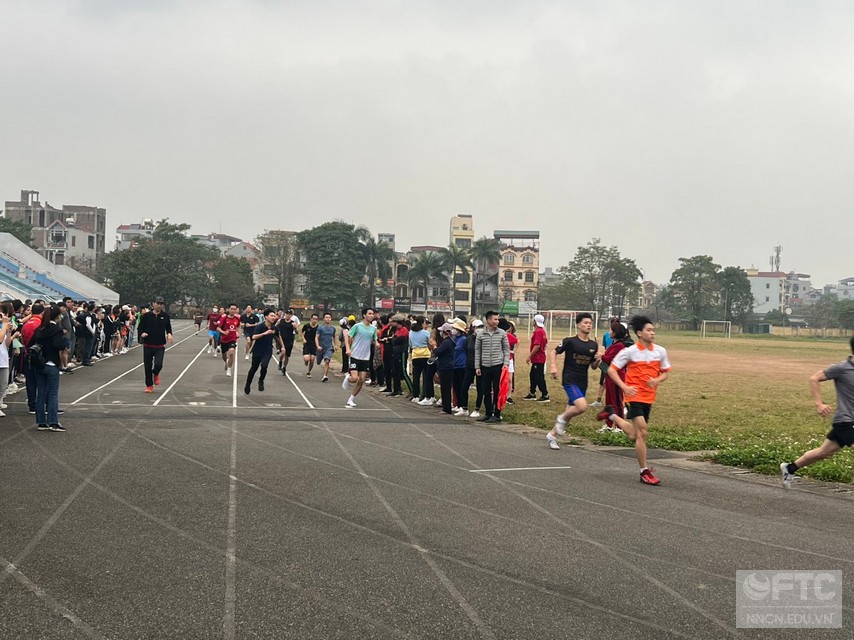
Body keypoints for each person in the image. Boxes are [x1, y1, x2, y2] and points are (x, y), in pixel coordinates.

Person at [600, 315, 671, 486]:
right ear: (639, 333)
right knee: (643, 433)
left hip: (649, 397)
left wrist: (656, 381)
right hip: (633, 396)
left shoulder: (660, 351)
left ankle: (612, 416)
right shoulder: (629, 351)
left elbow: (665, 372)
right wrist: (624, 387)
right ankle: (644, 471)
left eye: (653, 330)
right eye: (649, 330)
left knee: (634, 434)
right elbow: (611, 370)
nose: (652, 333)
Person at [780, 336, 854, 489]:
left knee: (824, 452)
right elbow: (814, 378)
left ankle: (790, 468)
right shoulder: (841, 368)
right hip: (846, 421)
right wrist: (819, 403)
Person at [545, 312, 600, 450]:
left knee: (570, 412)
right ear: (578, 325)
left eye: (590, 323)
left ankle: (552, 435)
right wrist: (553, 366)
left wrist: (598, 360)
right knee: (582, 407)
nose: (588, 325)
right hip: (570, 379)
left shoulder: (594, 344)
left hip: (583, 380)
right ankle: (560, 419)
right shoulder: (570, 341)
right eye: (585, 323)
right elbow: (554, 352)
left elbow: (593, 367)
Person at [31, 306, 66, 431]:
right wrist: (63, 344)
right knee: (52, 394)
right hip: (51, 363)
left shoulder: (39, 329)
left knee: (40, 394)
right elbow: (58, 344)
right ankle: (53, 421)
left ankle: (41, 422)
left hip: (39, 364)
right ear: (57, 317)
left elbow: (30, 343)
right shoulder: (56, 330)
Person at [474, 310, 510, 423]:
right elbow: (477, 351)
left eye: (497, 319)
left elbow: (506, 349)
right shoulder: (480, 334)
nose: (497, 321)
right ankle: (488, 412)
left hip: (498, 365)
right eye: (495, 319)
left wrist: (505, 364)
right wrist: (477, 366)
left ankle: (497, 413)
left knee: (497, 390)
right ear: (488, 320)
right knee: (486, 390)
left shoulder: (502, 333)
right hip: (485, 365)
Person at [598, 321, 633, 432]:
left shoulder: (619, 346)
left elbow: (608, 358)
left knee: (617, 401)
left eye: (611, 330)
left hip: (617, 376)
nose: (609, 332)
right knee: (609, 400)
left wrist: (601, 356)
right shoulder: (614, 344)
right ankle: (609, 424)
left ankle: (619, 426)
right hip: (610, 375)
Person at [342, 308, 378, 407]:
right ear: (364, 315)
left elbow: (374, 339)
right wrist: (348, 349)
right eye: (369, 314)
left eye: (372, 314)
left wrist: (377, 343)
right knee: (354, 378)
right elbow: (348, 337)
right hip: (355, 355)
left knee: (361, 380)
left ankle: (351, 399)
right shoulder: (357, 327)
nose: (371, 315)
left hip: (365, 357)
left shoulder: (373, 329)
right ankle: (347, 378)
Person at [244, 309, 284, 394]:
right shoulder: (260, 326)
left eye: (274, 316)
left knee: (264, 365)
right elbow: (254, 337)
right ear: (266, 317)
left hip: (267, 350)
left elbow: (278, 337)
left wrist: (282, 347)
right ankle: (248, 384)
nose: (273, 317)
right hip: (257, 350)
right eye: (271, 315)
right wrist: (264, 333)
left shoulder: (274, 328)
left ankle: (261, 380)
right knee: (253, 369)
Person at [138, 296, 174, 393]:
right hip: (148, 345)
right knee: (147, 366)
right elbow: (140, 327)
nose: (159, 305)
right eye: (157, 303)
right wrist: (142, 334)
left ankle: (156, 373)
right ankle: (149, 385)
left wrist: (169, 334)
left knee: (158, 364)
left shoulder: (165, 316)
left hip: (159, 345)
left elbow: (168, 328)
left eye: (161, 304)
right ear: (153, 304)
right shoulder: (146, 316)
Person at [524, 313, 550, 402]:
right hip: (538, 358)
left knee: (539, 376)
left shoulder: (538, 331)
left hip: (538, 358)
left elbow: (537, 346)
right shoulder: (542, 331)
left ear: (535, 321)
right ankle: (532, 393)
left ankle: (545, 394)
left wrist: (529, 356)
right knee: (533, 375)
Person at [593, 319, 616, 406]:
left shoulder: (622, 339)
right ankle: (598, 400)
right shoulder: (606, 335)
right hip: (607, 360)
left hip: (615, 363)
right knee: (603, 381)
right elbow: (606, 349)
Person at [434, 323, 456, 414]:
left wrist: (434, 346)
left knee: (445, 388)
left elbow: (438, 352)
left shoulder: (446, 342)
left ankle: (446, 408)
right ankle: (446, 407)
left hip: (446, 366)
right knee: (445, 387)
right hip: (446, 366)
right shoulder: (449, 341)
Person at [409, 316, 431, 403]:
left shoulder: (411, 333)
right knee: (426, 376)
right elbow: (429, 343)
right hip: (425, 354)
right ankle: (425, 394)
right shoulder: (426, 333)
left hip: (415, 355)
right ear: (423, 323)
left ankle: (415, 395)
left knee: (416, 377)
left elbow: (410, 344)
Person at [465, 319, 485, 417]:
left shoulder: (484, 339)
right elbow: (466, 350)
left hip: (481, 366)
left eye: (481, 327)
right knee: (464, 386)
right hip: (469, 366)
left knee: (480, 388)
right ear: (473, 328)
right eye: (477, 327)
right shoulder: (468, 339)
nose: (479, 329)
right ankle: (464, 407)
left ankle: (477, 409)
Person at [451, 318, 469, 415]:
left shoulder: (463, 340)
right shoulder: (454, 339)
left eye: (455, 328)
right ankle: (458, 405)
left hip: (462, 365)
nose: (453, 330)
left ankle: (463, 405)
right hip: (454, 365)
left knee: (462, 386)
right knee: (456, 386)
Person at [217, 304, 241, 377]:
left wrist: (238, 333)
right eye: (231, 309)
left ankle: (229, 369)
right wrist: (223, 332)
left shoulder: (237, 319)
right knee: (224, 355)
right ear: (228, 309)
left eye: (234, 309)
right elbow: (218, 328)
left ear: (236, 310)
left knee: (231, 353)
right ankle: (226, 361)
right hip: (224, 339)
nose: (233, 310)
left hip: (232, 339)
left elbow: (238, 327)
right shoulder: (224, 318)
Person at [314, 312, 337, 382]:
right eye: (326, 317)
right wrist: (318, 346)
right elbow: (316, 337)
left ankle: (325, 376)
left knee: (327, 361)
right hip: (321, 348)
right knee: (318, 362)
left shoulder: (333, 328)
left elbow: (334, 337)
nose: (328, 319)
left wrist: (335, 345)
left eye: (329, 317)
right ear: (324, 319)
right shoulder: (320, 328)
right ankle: (318, 359)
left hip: (329, 348)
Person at [277, 309, 299, 375]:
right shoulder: (281, 321)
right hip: (281, 339)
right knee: (283, 352)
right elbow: (275, 327)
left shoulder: (293, 323)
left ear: (291, 315)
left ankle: (284, 367)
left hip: (289, 340)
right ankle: (280, 361)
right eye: (287, 314)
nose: (288, 315)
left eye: (289, 314)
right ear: (285, 314)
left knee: (287, 355)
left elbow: (297, 332)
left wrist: (295, 327)